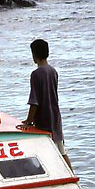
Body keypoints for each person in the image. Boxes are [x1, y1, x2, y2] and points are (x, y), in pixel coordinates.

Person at [19, 39, 73, 172]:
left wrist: (28, 121)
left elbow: (34, 101)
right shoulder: (53, 71)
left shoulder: (36, 74)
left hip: (43, 120)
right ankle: (71, 175)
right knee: (61, 151)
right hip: (55, 117)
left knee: (43, 150)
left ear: (34, 54)